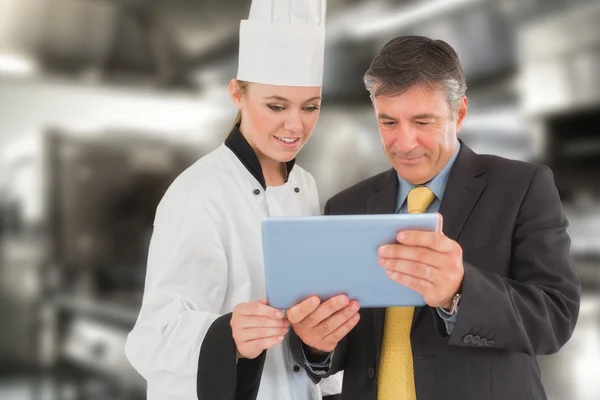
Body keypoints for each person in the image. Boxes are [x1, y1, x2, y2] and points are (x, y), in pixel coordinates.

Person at [285, 35, 581, 400]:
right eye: (388, 122)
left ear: (459, 113)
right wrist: (317, 346)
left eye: (422, 121)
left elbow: (555, 317)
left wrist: (460, 291)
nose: (404, 142)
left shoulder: (521, 188)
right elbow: (346, 344)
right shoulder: (346, 206)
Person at [124, 1, 343, 399]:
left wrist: (318, 342)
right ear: (237, 95)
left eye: (311, 107)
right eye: (276, 106)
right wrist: (228, 335)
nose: (295, 125)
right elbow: (151, 339)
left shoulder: (307, 187)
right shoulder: (197, 193)